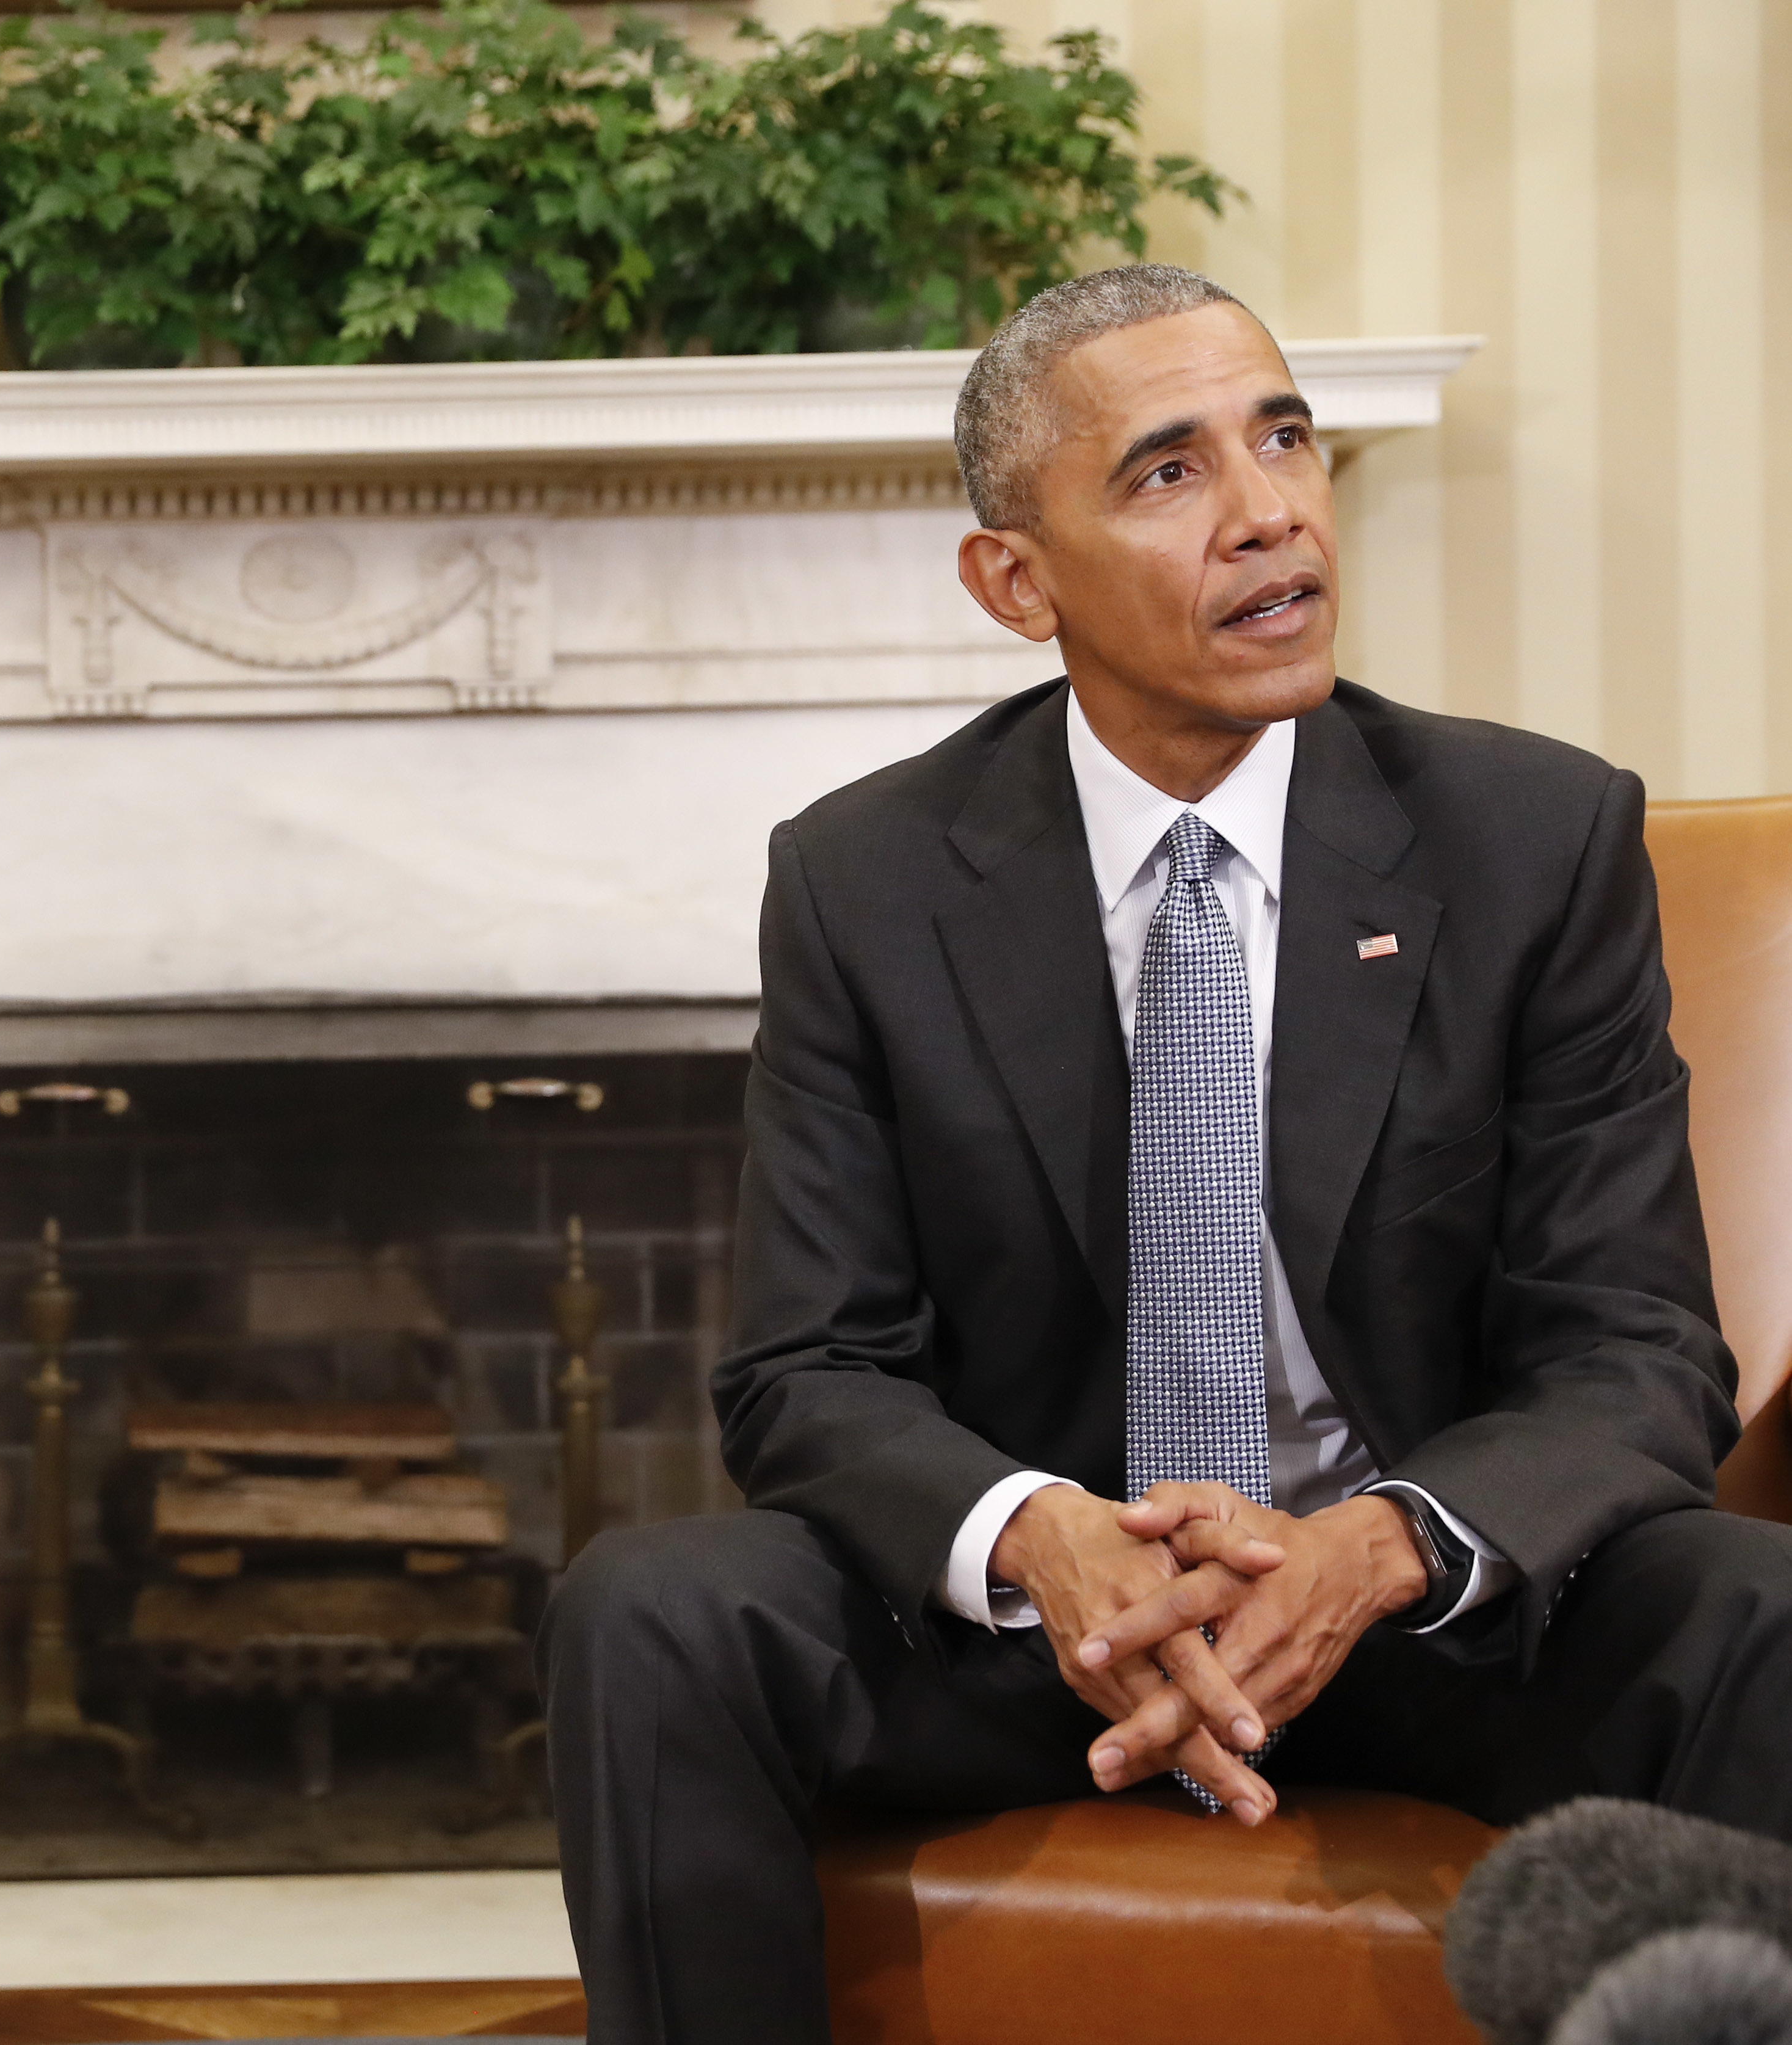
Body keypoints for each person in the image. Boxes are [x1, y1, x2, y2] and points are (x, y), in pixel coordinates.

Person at [540, 262, 1792, 2043]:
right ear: (1015, 580)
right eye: (1169, 471)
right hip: (1049, 1632)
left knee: (1758, 1608)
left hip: (1423, 1610)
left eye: (1284, 437)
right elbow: (808, 1368)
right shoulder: (868, 882)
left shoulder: (1534, 841)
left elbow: (1639, 1344)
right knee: (650, 1614)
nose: (1272, 510)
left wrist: (1377, 1547)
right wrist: (1044, 1539)